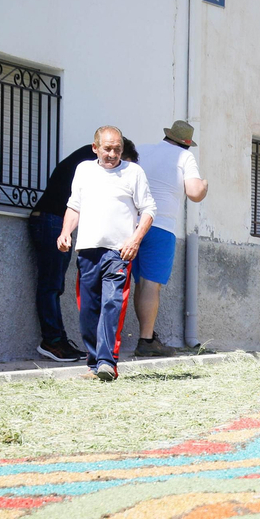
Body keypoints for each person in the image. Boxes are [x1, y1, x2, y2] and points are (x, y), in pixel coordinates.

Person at [57, 126, 155, 381]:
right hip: (88, 250)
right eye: (107, 149)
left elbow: (148, 210)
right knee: (88, 308)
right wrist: (65, 232)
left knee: (112, 303)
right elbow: (74, 206)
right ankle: (93, 364)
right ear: (95, 148)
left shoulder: (133, 172)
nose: (112, 154)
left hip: (119, 252)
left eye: (117, 149)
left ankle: (107, 362)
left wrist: (135, 239)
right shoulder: (84, 170)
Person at [30, 138, 136, 362]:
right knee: (51, 284)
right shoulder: (92, 165)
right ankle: (52, 340)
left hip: (52, 220)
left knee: (54, 284)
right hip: (51, 221)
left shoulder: (89, 159)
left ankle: (56, 338)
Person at [132, 119, 208, 357]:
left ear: (168, 136)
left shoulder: (143, 149)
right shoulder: (184, 158)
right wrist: (205, 184)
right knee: (150, 284)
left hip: (131, 223)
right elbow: (195, 193)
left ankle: (137, 337)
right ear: (186, 144)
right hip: (160, 225)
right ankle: (145, 340)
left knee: (135, 283)